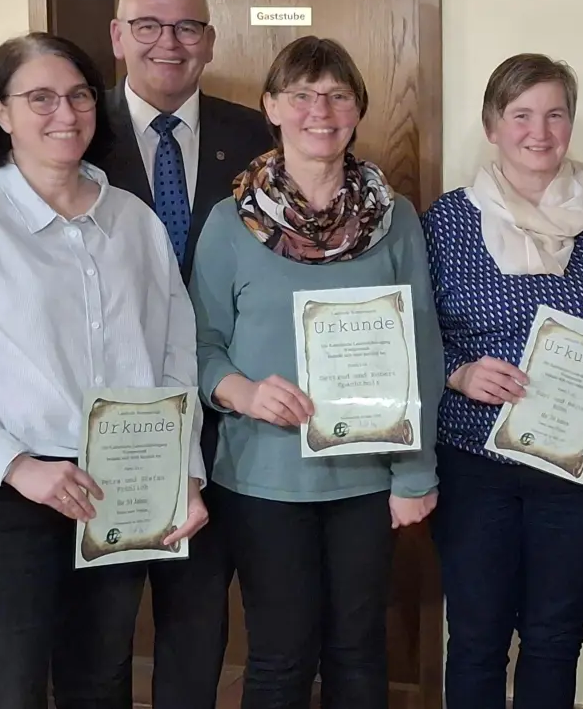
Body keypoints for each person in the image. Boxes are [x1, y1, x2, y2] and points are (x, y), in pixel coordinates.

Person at [0, 32, 208, 708]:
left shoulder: (135, 221)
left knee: (102, 684)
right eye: (40, 98)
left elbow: (175, 357)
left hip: (117, 486)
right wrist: (18, 466)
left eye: (79, 95)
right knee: (10, 690)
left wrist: (182, 471)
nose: (65, 113)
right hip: (0, 502)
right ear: (1, 112)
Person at [188, 35, 443, 708]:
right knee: (280, 657)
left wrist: (415, 473)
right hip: (263, 480)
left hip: (368, 476)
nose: (319, 111)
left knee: (359, 652)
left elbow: (421, 348)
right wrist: (243, 392)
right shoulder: (229, 223)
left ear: (357, 109)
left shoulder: (395, 219)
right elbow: (197, 346)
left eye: (336, 95)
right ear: (272, 106)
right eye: (301, 95)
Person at [423, 53, 583, 708]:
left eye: (555, 114)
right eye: (521, 114)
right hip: (474, 463)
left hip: (574, 464)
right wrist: (459, 372)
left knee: (556, 635)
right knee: (477, 638)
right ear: (492, 126)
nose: (540, 131)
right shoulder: (449, 220)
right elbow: (414, 330)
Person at [93, 0, 275, 708]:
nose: (168, 42)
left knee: (198, 621)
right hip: (107, 420)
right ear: (117, 35)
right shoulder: (79, 130)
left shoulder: (257, 135)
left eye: (187, 26)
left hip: (221, 419)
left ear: (210, 38)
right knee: (99, 628)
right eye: (148, 25)